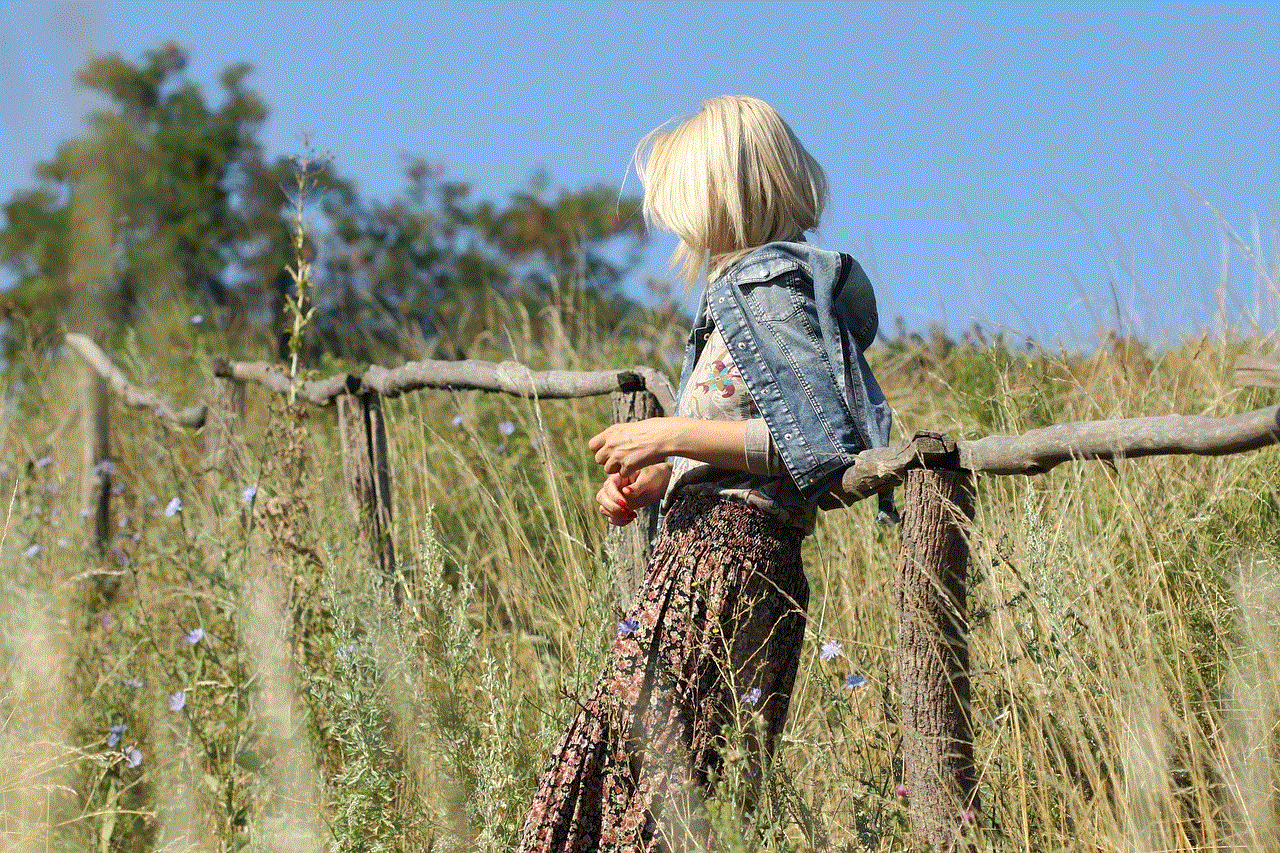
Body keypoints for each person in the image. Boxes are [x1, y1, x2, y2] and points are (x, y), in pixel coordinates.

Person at [517, 95, 893, 853]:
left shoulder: (766, 288)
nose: (680, 227)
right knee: (660, 798)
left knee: (649, 798)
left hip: (726, 567)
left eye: (685, 204)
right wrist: (669, 474)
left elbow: (816, 443)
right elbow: (756, 440)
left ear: (724, 193)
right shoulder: (748, 295)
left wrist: (666, 431)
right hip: (720, 558)